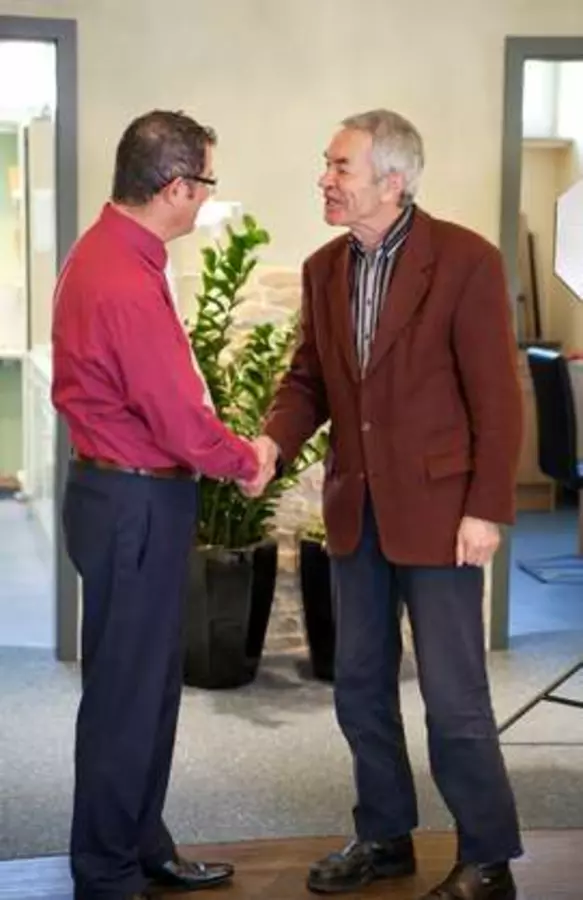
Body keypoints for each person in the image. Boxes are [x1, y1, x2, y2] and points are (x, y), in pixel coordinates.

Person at [252, 110, 523, 900]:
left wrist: (486, 508)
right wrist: (271, 443)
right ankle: (384, 835)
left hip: (442, 516)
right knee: (359, 686)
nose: (324, 180)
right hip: (355, 510)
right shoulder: (322, 268)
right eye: (327, 165)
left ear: (392, 181)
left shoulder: (465, 261)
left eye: (339, 167)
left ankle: (487, 859)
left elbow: (496, 398)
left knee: (453, 697)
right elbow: (308, 380)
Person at [52, 110, 272, 900]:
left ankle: (141, 844)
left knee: (146, 691)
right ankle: (107, 873)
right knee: (127, 699)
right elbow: (176, 417)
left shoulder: (116, 251)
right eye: (206, 182)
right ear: (176, 186)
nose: (209, 196)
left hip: (125, 497)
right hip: (135, 503)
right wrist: (245, 461)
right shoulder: (122, 277)